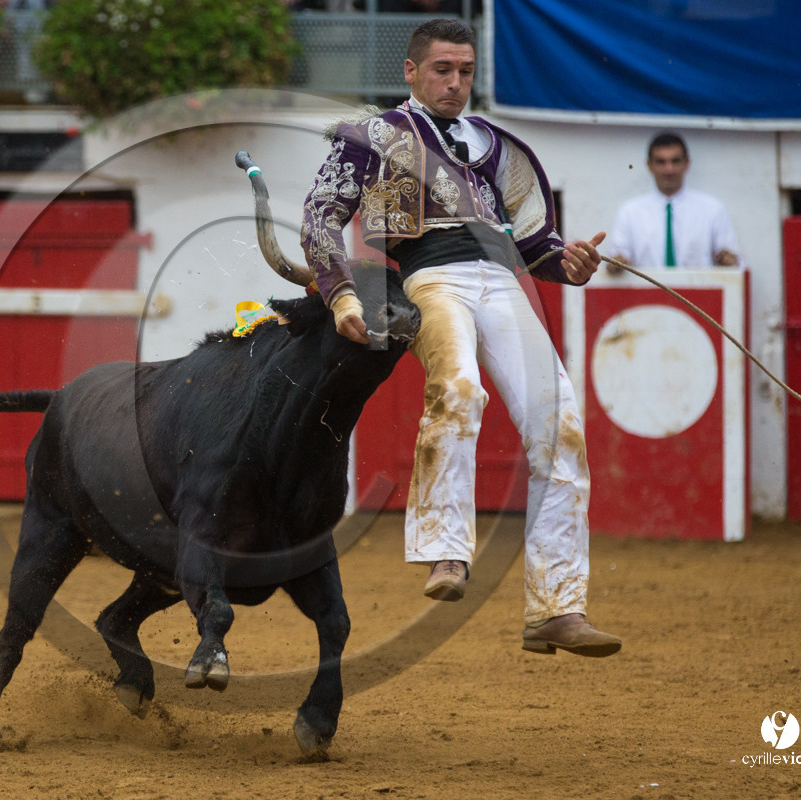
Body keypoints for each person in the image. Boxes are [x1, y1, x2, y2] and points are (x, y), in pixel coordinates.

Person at [299, 18, 620, 656]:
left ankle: (557, 607)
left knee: (561, 423)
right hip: (433, 276)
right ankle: (446, 550)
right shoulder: (373, 135)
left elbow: (538, 243)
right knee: (459, 389)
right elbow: (320, 214)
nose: (455, 83)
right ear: (412, 72)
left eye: (465, 71)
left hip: (503, 281)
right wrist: (340, 293)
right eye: (442, 70)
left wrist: (571, 264)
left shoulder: (497, 145)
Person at [605, 132, 742, 268]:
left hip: (699, 283)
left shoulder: (713, 209)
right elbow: (616, 261)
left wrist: (728, 260)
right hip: (645, 284)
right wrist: (616, 264)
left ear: (687, 163)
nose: (668, 170)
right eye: (661, 162)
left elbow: (735, 265)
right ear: (649, 165)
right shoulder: (629, 212)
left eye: (675, 161)